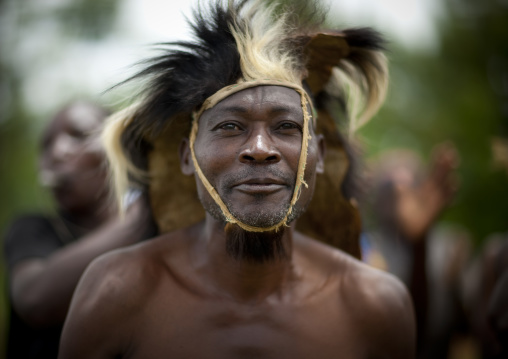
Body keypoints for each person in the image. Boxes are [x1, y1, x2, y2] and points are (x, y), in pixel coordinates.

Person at [59, 1, 416, 358]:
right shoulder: (120, 291)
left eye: (286, 126)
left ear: (318, 155)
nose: (260, 149)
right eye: (230, 126)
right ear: (187, 156)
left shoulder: (373, 305)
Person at [3, 102, 156, 359]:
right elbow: (35, 300)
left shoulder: (163, 234)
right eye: (46, 145)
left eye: (79, 135)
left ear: (119, 151)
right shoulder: (32, 229)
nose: (57, 152)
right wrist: (139, 220)